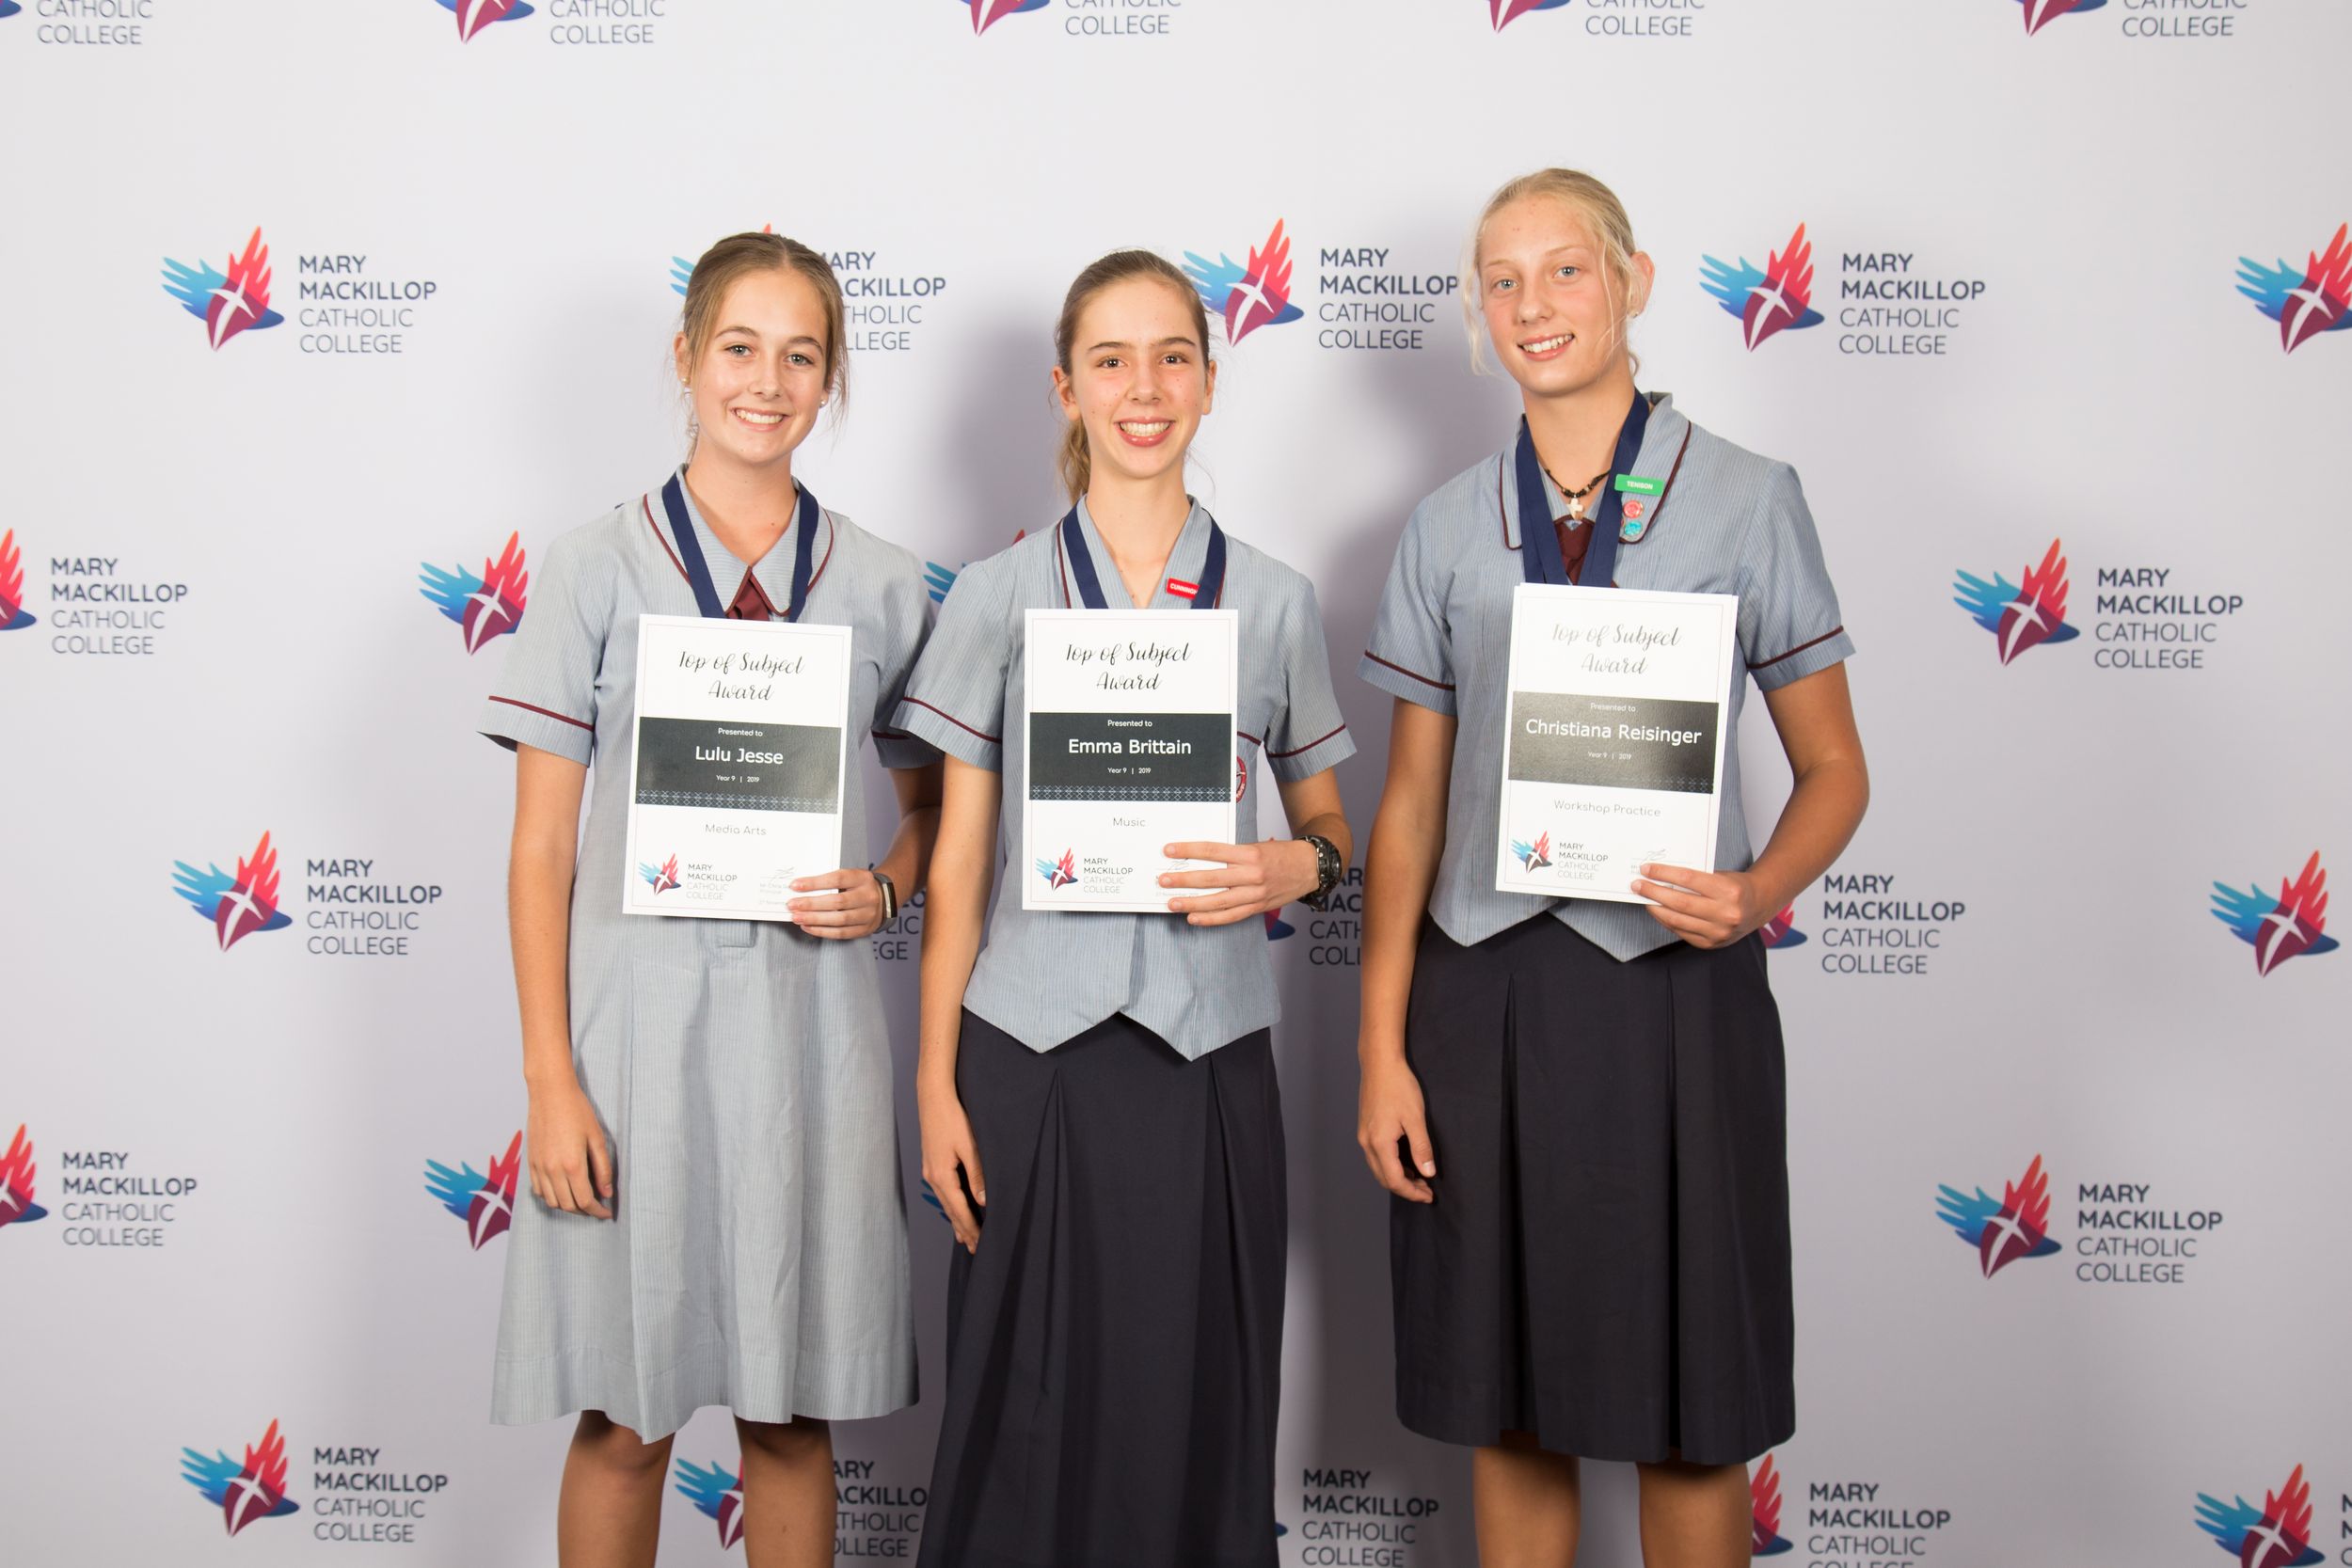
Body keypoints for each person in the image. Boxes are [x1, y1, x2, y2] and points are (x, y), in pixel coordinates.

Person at [1354, 169, 1869, 1568]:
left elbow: (1836, 770)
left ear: (1631, 282)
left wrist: (1757, 893)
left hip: (1672, 996)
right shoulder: (1446, 524)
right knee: (1509, 1409)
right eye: (1502, 280)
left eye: (1565, 270)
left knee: (1690, 1413)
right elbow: (1408, 810)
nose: (1534, 305)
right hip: (1482, 1001)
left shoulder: (1749, 499)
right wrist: (1382, 1047)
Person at [479, 230, 943, 1568]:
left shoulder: (882, 580)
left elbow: (927, 815)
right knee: (627, 1421)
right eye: (740, 347)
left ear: (831, 378)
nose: (767, 381)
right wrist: (549, 1081)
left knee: (790, 1417)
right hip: (630, 1046)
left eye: (801, 356)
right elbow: (542, 850)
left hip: (810, 1048)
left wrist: (885, 886)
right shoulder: (592, 566)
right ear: (686, 359)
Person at [895, 249, 1355, 1568]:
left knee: (1196, 1401)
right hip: (1025, 1055)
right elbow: (958, 866)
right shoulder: (995, 596)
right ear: (1067, 388)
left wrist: (1298, 869)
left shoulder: (1274, 599)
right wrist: (935, 1089)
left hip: (1209, 1061)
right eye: (1111, 360)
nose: (1142, 388)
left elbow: (1336, 837)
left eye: (1171, 358)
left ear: (1208, 382)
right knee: (1022, 1413)